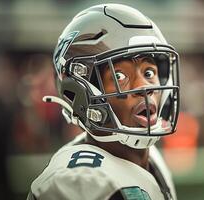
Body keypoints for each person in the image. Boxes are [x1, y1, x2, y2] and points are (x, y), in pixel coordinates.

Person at [27, 3, 180, 200]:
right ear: (80, 92)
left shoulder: (152, 157)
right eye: (120, 76)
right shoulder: (79, 181)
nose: (144, 87)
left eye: (149, 72)